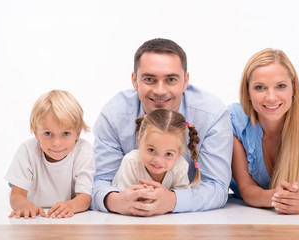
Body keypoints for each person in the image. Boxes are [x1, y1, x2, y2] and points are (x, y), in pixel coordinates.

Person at [92, 38, 233, 216]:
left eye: (171, 79)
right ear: (135, 81)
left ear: (185, 81)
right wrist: (116, 201)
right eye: (149, 79)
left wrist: (171, 201)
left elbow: (217, 187)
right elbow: (99, 181)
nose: (160, 90)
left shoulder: (212, 114)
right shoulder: (114, 115)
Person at [229, 48, 299, 214]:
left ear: (294, 89)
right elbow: (246, 189)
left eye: (281, 86)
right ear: (248, 92)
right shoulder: (234, 122)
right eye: (260, 87)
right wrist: (276, 198)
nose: (271, 97)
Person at [5, 90, 95, 219]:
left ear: (78, 132)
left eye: (66, 133)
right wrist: (25, 205)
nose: (57, 143)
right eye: (48, 134)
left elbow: (85, 197)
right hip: (36, 211)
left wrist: (72, 205)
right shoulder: (27, 150)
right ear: (35, 132)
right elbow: (16, 196)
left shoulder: (83, 150)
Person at [112, 109, 200, 191]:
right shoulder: (131, 162)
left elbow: (181, 199)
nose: (158, 160)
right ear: (140, 142)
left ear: (179, 153)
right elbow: (124, 199)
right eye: (151, 150)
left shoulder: (180, 166)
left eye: (169, 154)